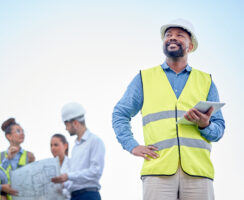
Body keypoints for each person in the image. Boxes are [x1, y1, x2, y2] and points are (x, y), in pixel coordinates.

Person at [112, 18, 225, 200]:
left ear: (190, 46)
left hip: (198, 173)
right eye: (168, 35)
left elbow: (219, 131)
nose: (172, 38)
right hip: (158, 171)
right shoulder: (144, 78)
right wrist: (131, 145)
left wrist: (205, 125)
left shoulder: (206, 81)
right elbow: (120, 113)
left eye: (179, 35)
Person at [51, 102, 105, 200]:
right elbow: (74, 178)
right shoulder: (75, 147)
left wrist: (68, 176)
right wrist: (61, 183)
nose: (66, 128)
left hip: (88, 195)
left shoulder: (94, 141)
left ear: (75, 123)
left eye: (66, 124)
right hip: (75, 196)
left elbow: (96, 172)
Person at [50, 133, 71, 200]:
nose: (52, 148)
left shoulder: (72, 164)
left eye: (56, 145)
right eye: (51, 145)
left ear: (65, 146)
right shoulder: (48, 167)